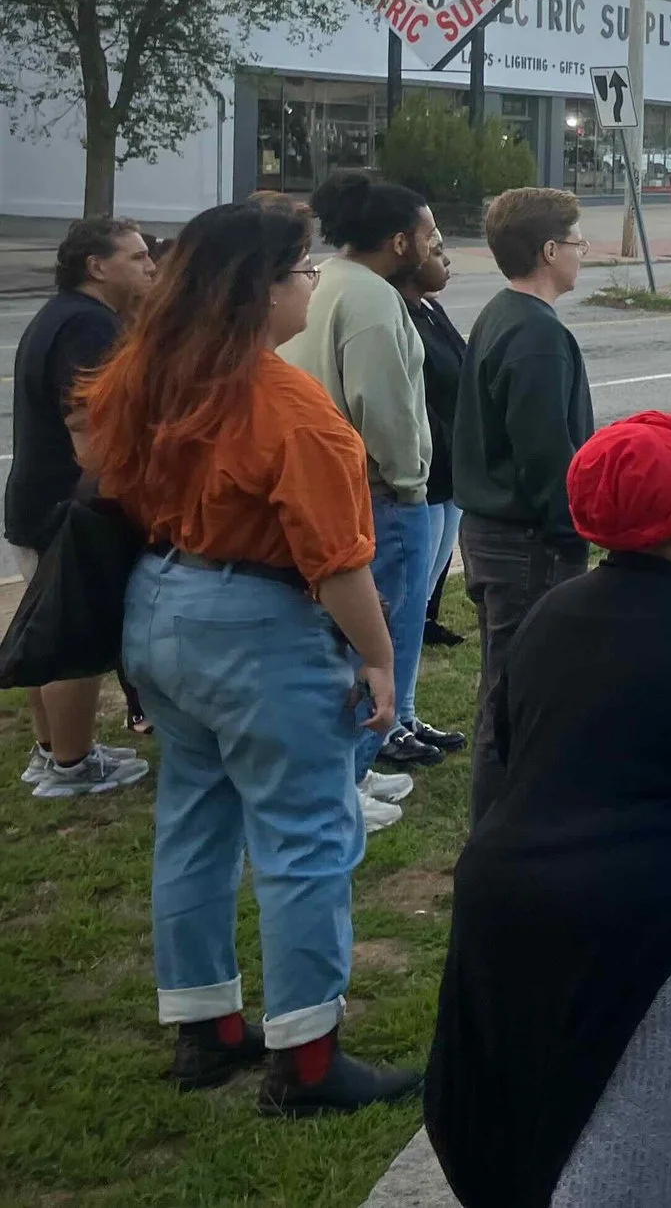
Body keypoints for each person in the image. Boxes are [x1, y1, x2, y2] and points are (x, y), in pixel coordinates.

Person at [427, 411, 671, 1208]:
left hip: (507, 916)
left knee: (534, 1143)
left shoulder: (550, 614)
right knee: (639, 1165)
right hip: (655, 933)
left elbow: (506, 742)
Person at [87, 199, 419, 1110]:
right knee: (305, 836)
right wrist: (382, 659)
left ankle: (207, 1027)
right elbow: (340, 564)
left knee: (193, 822)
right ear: (260, 290)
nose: (310, 284)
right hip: (257, 626)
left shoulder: (151, 374)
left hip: (159, 604)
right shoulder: (289, 407)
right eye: (302, 271)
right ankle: (308, 1061)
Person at [279, 170, 441, 823]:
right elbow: (384, 406)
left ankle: (355, 773)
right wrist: (409, 481)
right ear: (400, 240)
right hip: (378, 493)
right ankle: (342, 786)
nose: (435, 246)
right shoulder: (372, 297)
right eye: (429, 235)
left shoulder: (321, 280)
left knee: (343, 645)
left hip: (333, 486)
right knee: (379, 647)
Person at [454, 186, 595, 823]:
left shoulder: (503, 313)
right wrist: (577, 530)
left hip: (500, 534)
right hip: (528, 541)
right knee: (520, 691)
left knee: (509, 685)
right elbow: (545, 455)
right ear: (547, 251)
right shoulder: (535, 334)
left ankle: (510, 821)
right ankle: (502, 831)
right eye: (575, 241)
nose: (582, 251)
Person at [8, 216, 156, 798]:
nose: (150, 266)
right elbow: (94, 427)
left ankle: (54, 753)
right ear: (97, 266)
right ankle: (71, 765)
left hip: (39, 499)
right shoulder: (89, 328)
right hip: (68, 505)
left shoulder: (66, 314)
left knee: (47, 629)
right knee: (74, 636)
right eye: (138, 256)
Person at [402, 230, 470, 654]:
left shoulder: (431, 309)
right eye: (438, 250)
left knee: (437, 564)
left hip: (451, 467)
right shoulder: (398, 317)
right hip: (427, 466)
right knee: (415, 573)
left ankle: (427, 618)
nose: (446, 260)